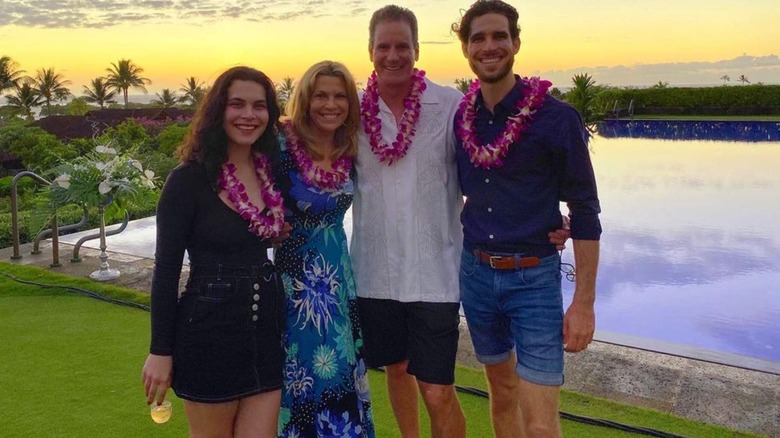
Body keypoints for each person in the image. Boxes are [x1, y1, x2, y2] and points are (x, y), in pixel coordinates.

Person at [452, 1, 602, 437]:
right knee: (501, 393)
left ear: (516, 42)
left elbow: (586, 212)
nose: (489, 46)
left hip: (533, 281)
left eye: (499, 36)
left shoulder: (557, 119)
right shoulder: (461, 120)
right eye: (478, 38)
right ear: (466, 49)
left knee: (539, 425)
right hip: (476, 276)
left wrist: (584, 303)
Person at [141, 66, 287, 437]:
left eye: (259, 106)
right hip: (208, 333)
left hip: (265, 334)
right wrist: (161, 351)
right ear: (218, 110)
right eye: (237, 104)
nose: (248, 115)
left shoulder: (271, 173)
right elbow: (166, 270)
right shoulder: (187, 181)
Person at [350, 5, 467, 437]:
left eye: (402, 46)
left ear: (417, 49)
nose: (393, 55)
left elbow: (490, 172)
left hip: (435, 275)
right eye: (384, 46)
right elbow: (313, 160)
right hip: (375, 274)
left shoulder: (451, 105)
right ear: (370, 51)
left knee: (437, 391)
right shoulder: (352, 116)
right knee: (396, 371)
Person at [274, 60, 375, 437]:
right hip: (297, 286)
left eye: (339, 96)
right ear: (305, 99)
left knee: (341, 368)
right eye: (321, 96)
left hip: (339, 280)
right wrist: (266, 228)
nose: (330, 105)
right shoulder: (281, 146)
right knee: (304, 372)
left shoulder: (351, 146)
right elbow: (245, 192)